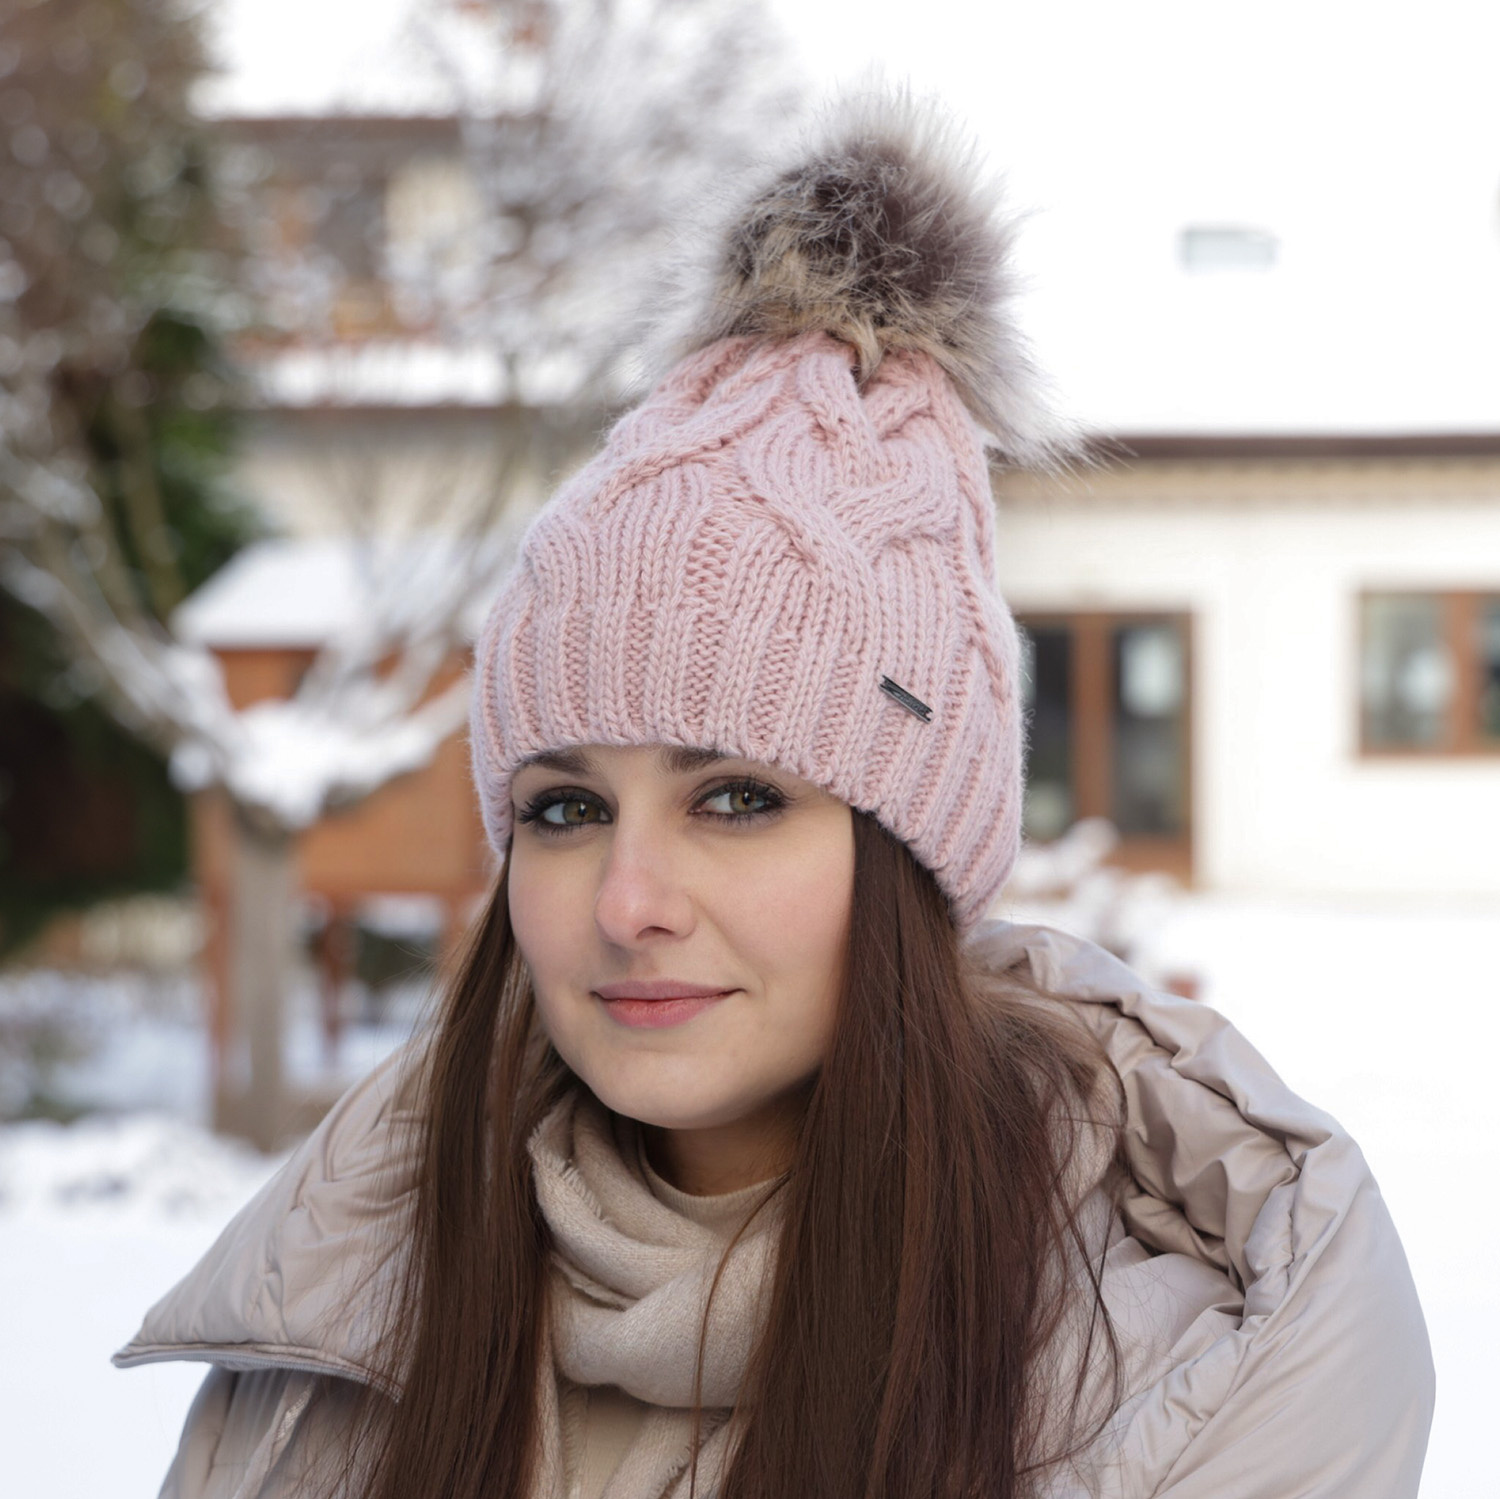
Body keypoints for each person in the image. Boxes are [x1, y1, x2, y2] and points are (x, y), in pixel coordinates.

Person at [115, 93, 1435, 1498]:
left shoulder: (1168, 1393)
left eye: (738, 799)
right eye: (564, 809)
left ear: (911, 850)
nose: (628, 904)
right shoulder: (329, 1350)